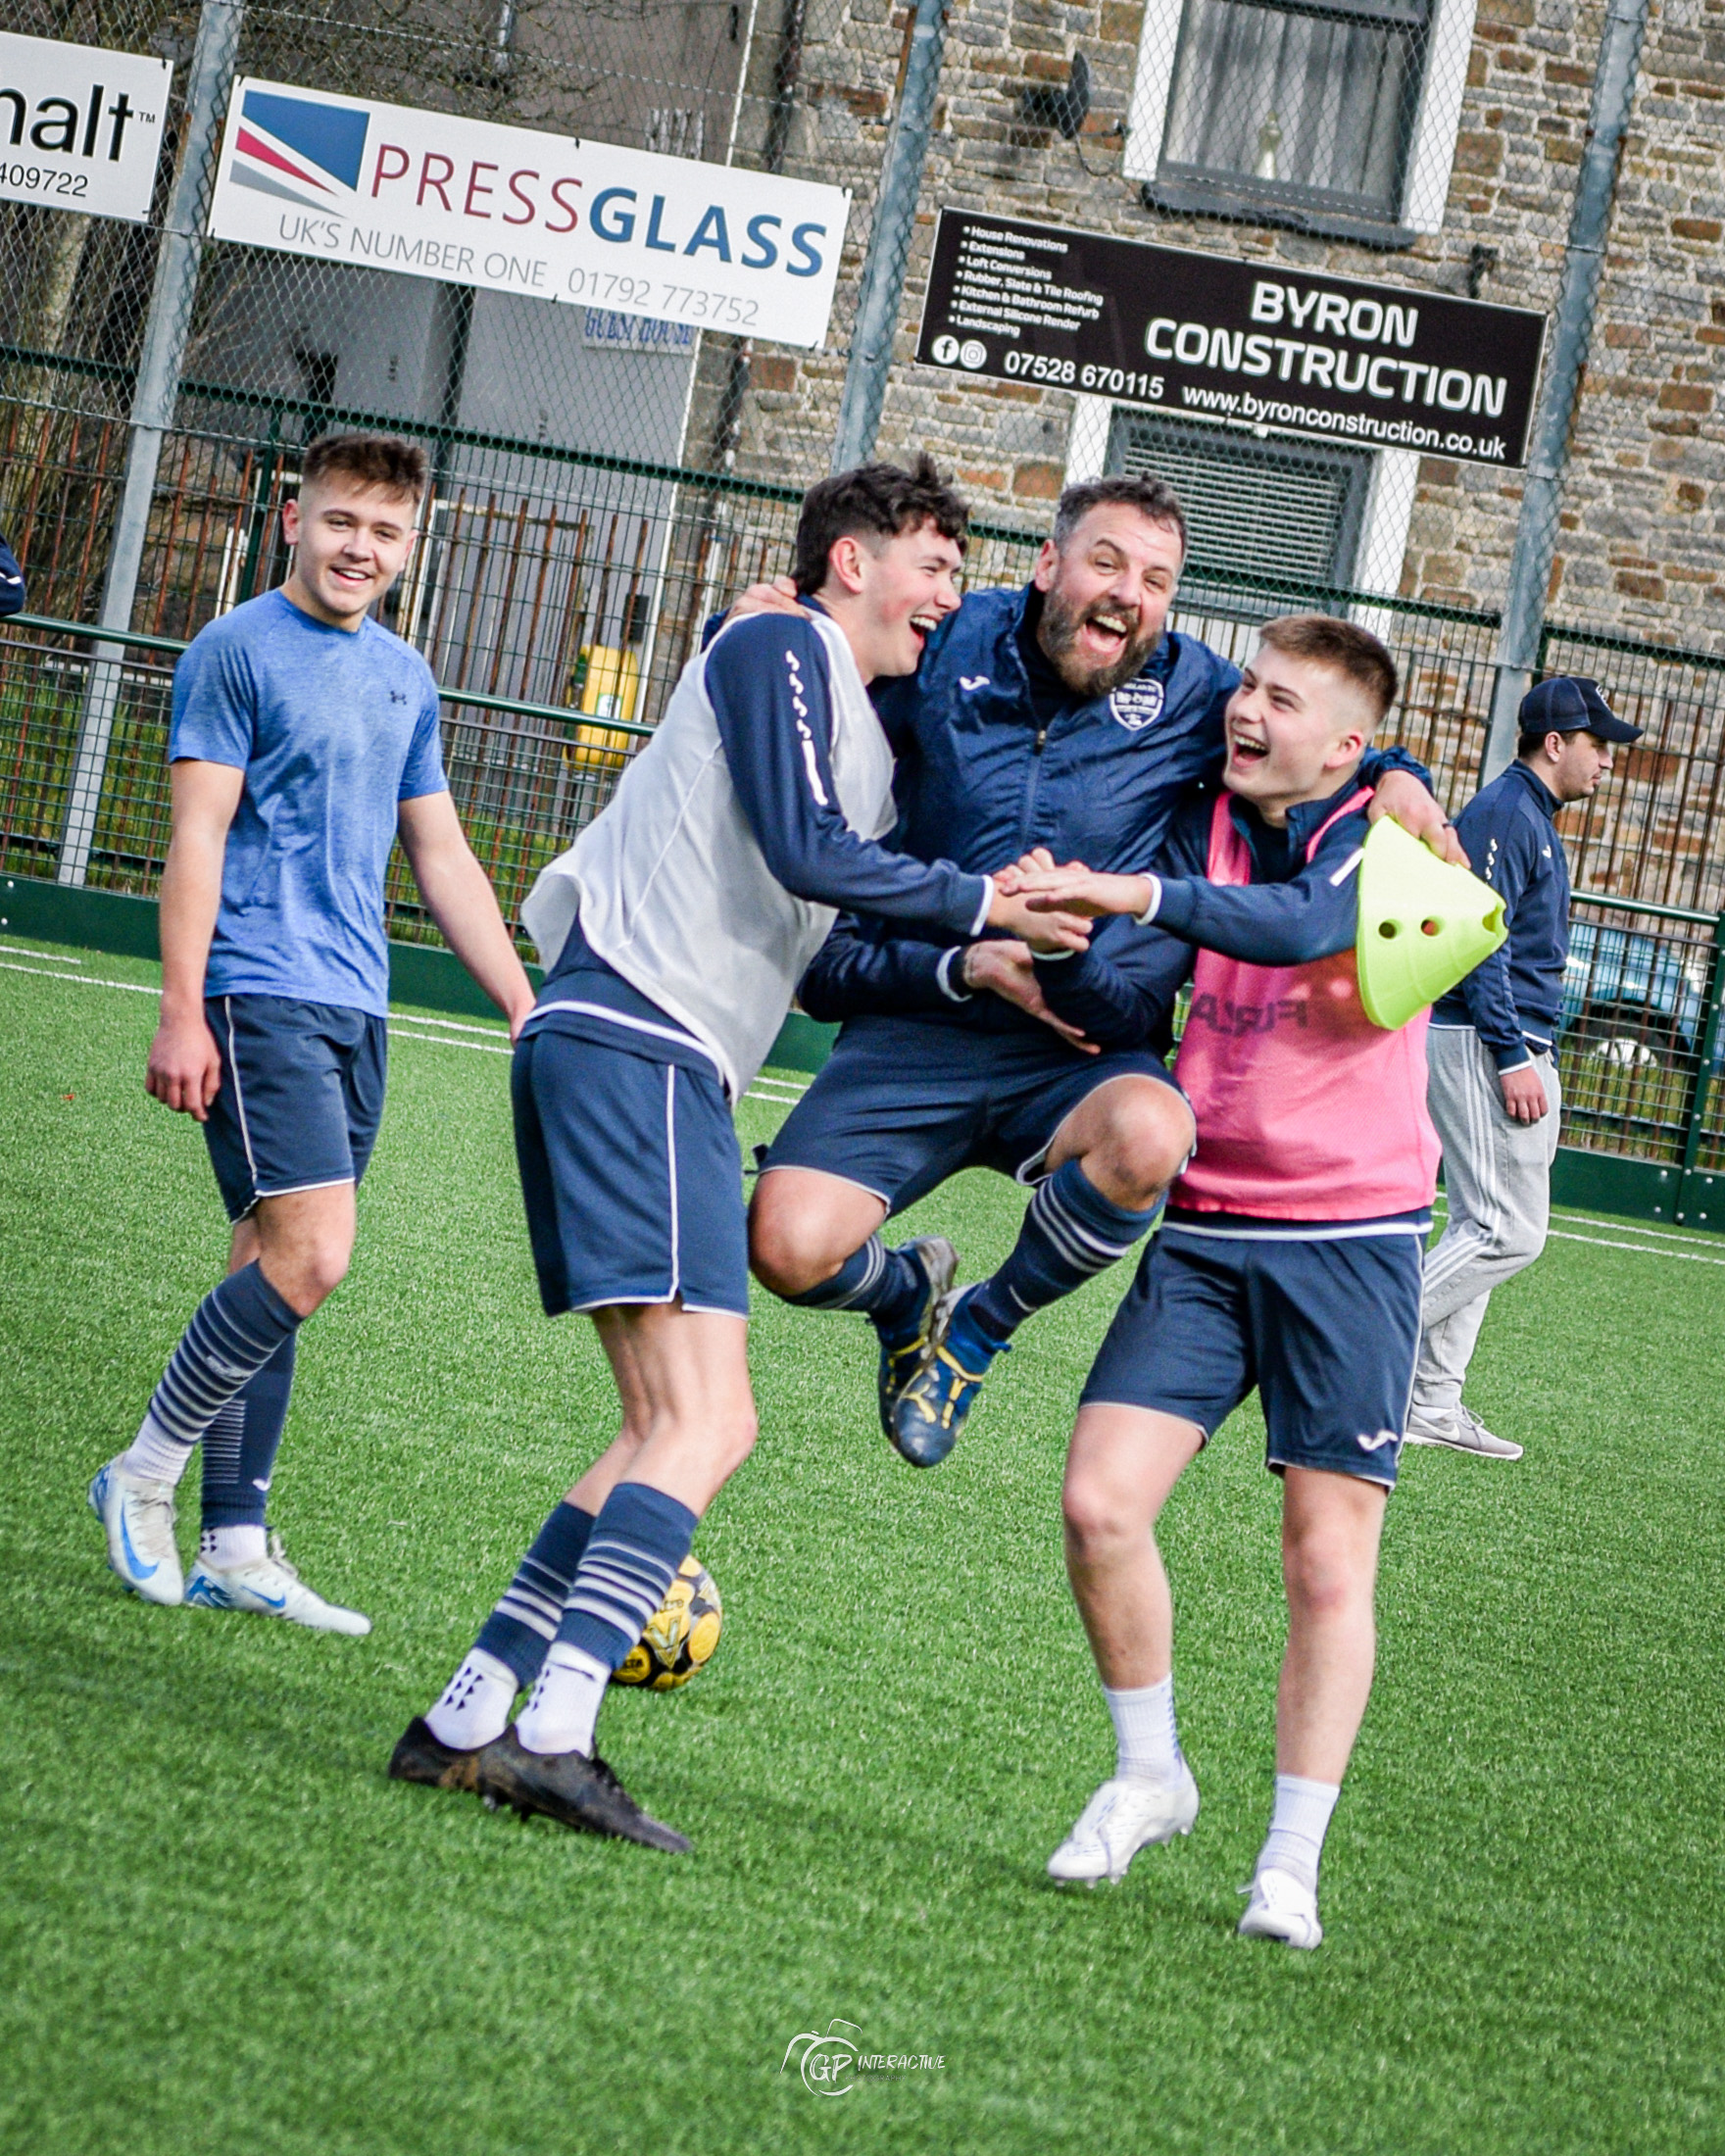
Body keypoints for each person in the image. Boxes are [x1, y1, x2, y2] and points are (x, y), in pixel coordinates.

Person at [388, 458, 1090, 1848]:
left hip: (654, 1058)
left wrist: (965, 966)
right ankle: (555, 1735)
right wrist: (983, 902)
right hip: (636, 1039)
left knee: (662, 1427)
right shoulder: (779, 644)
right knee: (707, 1425)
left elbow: (823, 950)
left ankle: (466, 1721)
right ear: (851, 562)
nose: (947, 598)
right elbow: (808, 850)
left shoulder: (856, 738)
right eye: (934, 566)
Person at [741, 477, 1455, 1466]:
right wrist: (761, 621)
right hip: (919, 1021)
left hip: (1071, 1052)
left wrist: (1396, 770)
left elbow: (1316, 730)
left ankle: (980, 1327)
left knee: (1154, 1131)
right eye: (1107, 562)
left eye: (1157, 580)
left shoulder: (1196, 690)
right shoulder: (952, 642)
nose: (1130, 593)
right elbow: (827, 651)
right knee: (784, 1247)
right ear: (1049, 564)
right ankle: (907, 1295)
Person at [1011, 614, 1437, 1951]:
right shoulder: (1205, 809)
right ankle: (1150, 1774)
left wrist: (1129, 893)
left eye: (1283, 701)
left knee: (1324, 1562)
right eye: (1247, 687)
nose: (1246, 711)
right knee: (1098, 1504)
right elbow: (1130, 992)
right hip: (1205, 1228)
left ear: (1350, 745)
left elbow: (1302, 923)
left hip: (1350, 1242)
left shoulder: (1391, 833)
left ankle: (1289, 1862)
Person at [88, 432, 536, 1632]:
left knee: (272, 1267)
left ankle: (234, 1545)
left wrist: (519, 999)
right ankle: (142, 1473)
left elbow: (440, 852)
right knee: (312, 1255)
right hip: (255, 992)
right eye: (341, 521)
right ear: (295, 519)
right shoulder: (234, 650)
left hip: (354, 1004)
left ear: (412, 545)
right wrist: (181, 1009)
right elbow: (195, 835)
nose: (359, 548)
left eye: (385, 531)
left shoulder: (406, 677)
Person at [1406, 677, 1642, 1459]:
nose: (1606, 760)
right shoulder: (1507, 811)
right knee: (1509, 1232)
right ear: (1555, 743)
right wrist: (1511, 1054)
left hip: (1510, 1041)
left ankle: (1431, 1404)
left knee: (1483, 1227)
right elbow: (1478, 940)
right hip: (1483, 1041)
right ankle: (1359, 1341)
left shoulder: (1530, 814)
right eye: (1598, 744)